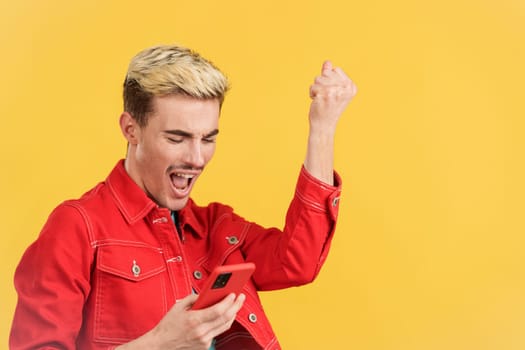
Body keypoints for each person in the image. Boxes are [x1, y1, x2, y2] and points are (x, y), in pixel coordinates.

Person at [10, 44, 357, 350]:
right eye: (177, 138)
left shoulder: (218, 228)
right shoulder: (77, 227)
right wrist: (158, 344)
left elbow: (298, 261)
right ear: (131, 129)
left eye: (208, 138)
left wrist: (322, 128)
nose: (196, 158)